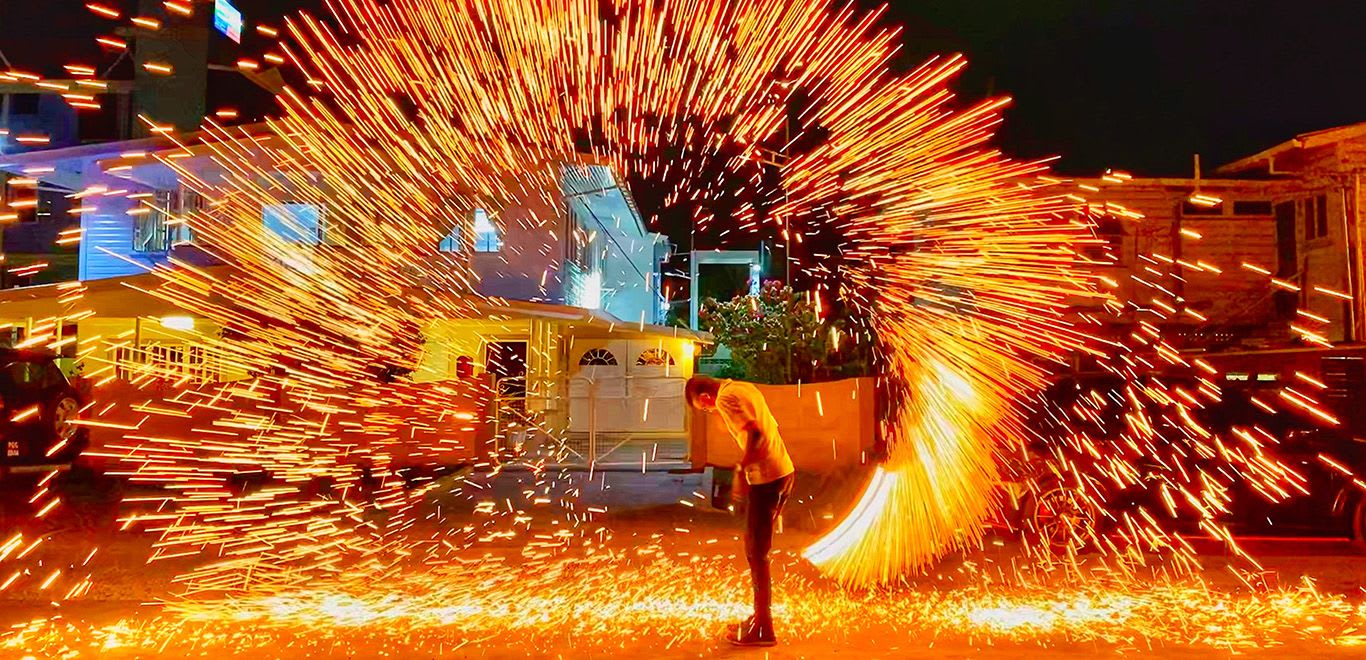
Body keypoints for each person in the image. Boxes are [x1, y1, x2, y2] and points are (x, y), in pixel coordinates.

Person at [685, 374, 795, 647]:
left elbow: (756, 434)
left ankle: (763, 629)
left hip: (767, 478)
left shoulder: (726, 398)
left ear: (705, 397)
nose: (711, 411)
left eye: (706, 409)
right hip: (784, 471)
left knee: (756, 554)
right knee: (758, 550)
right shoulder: (742, 388)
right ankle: (759, 619)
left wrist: (741, 469)